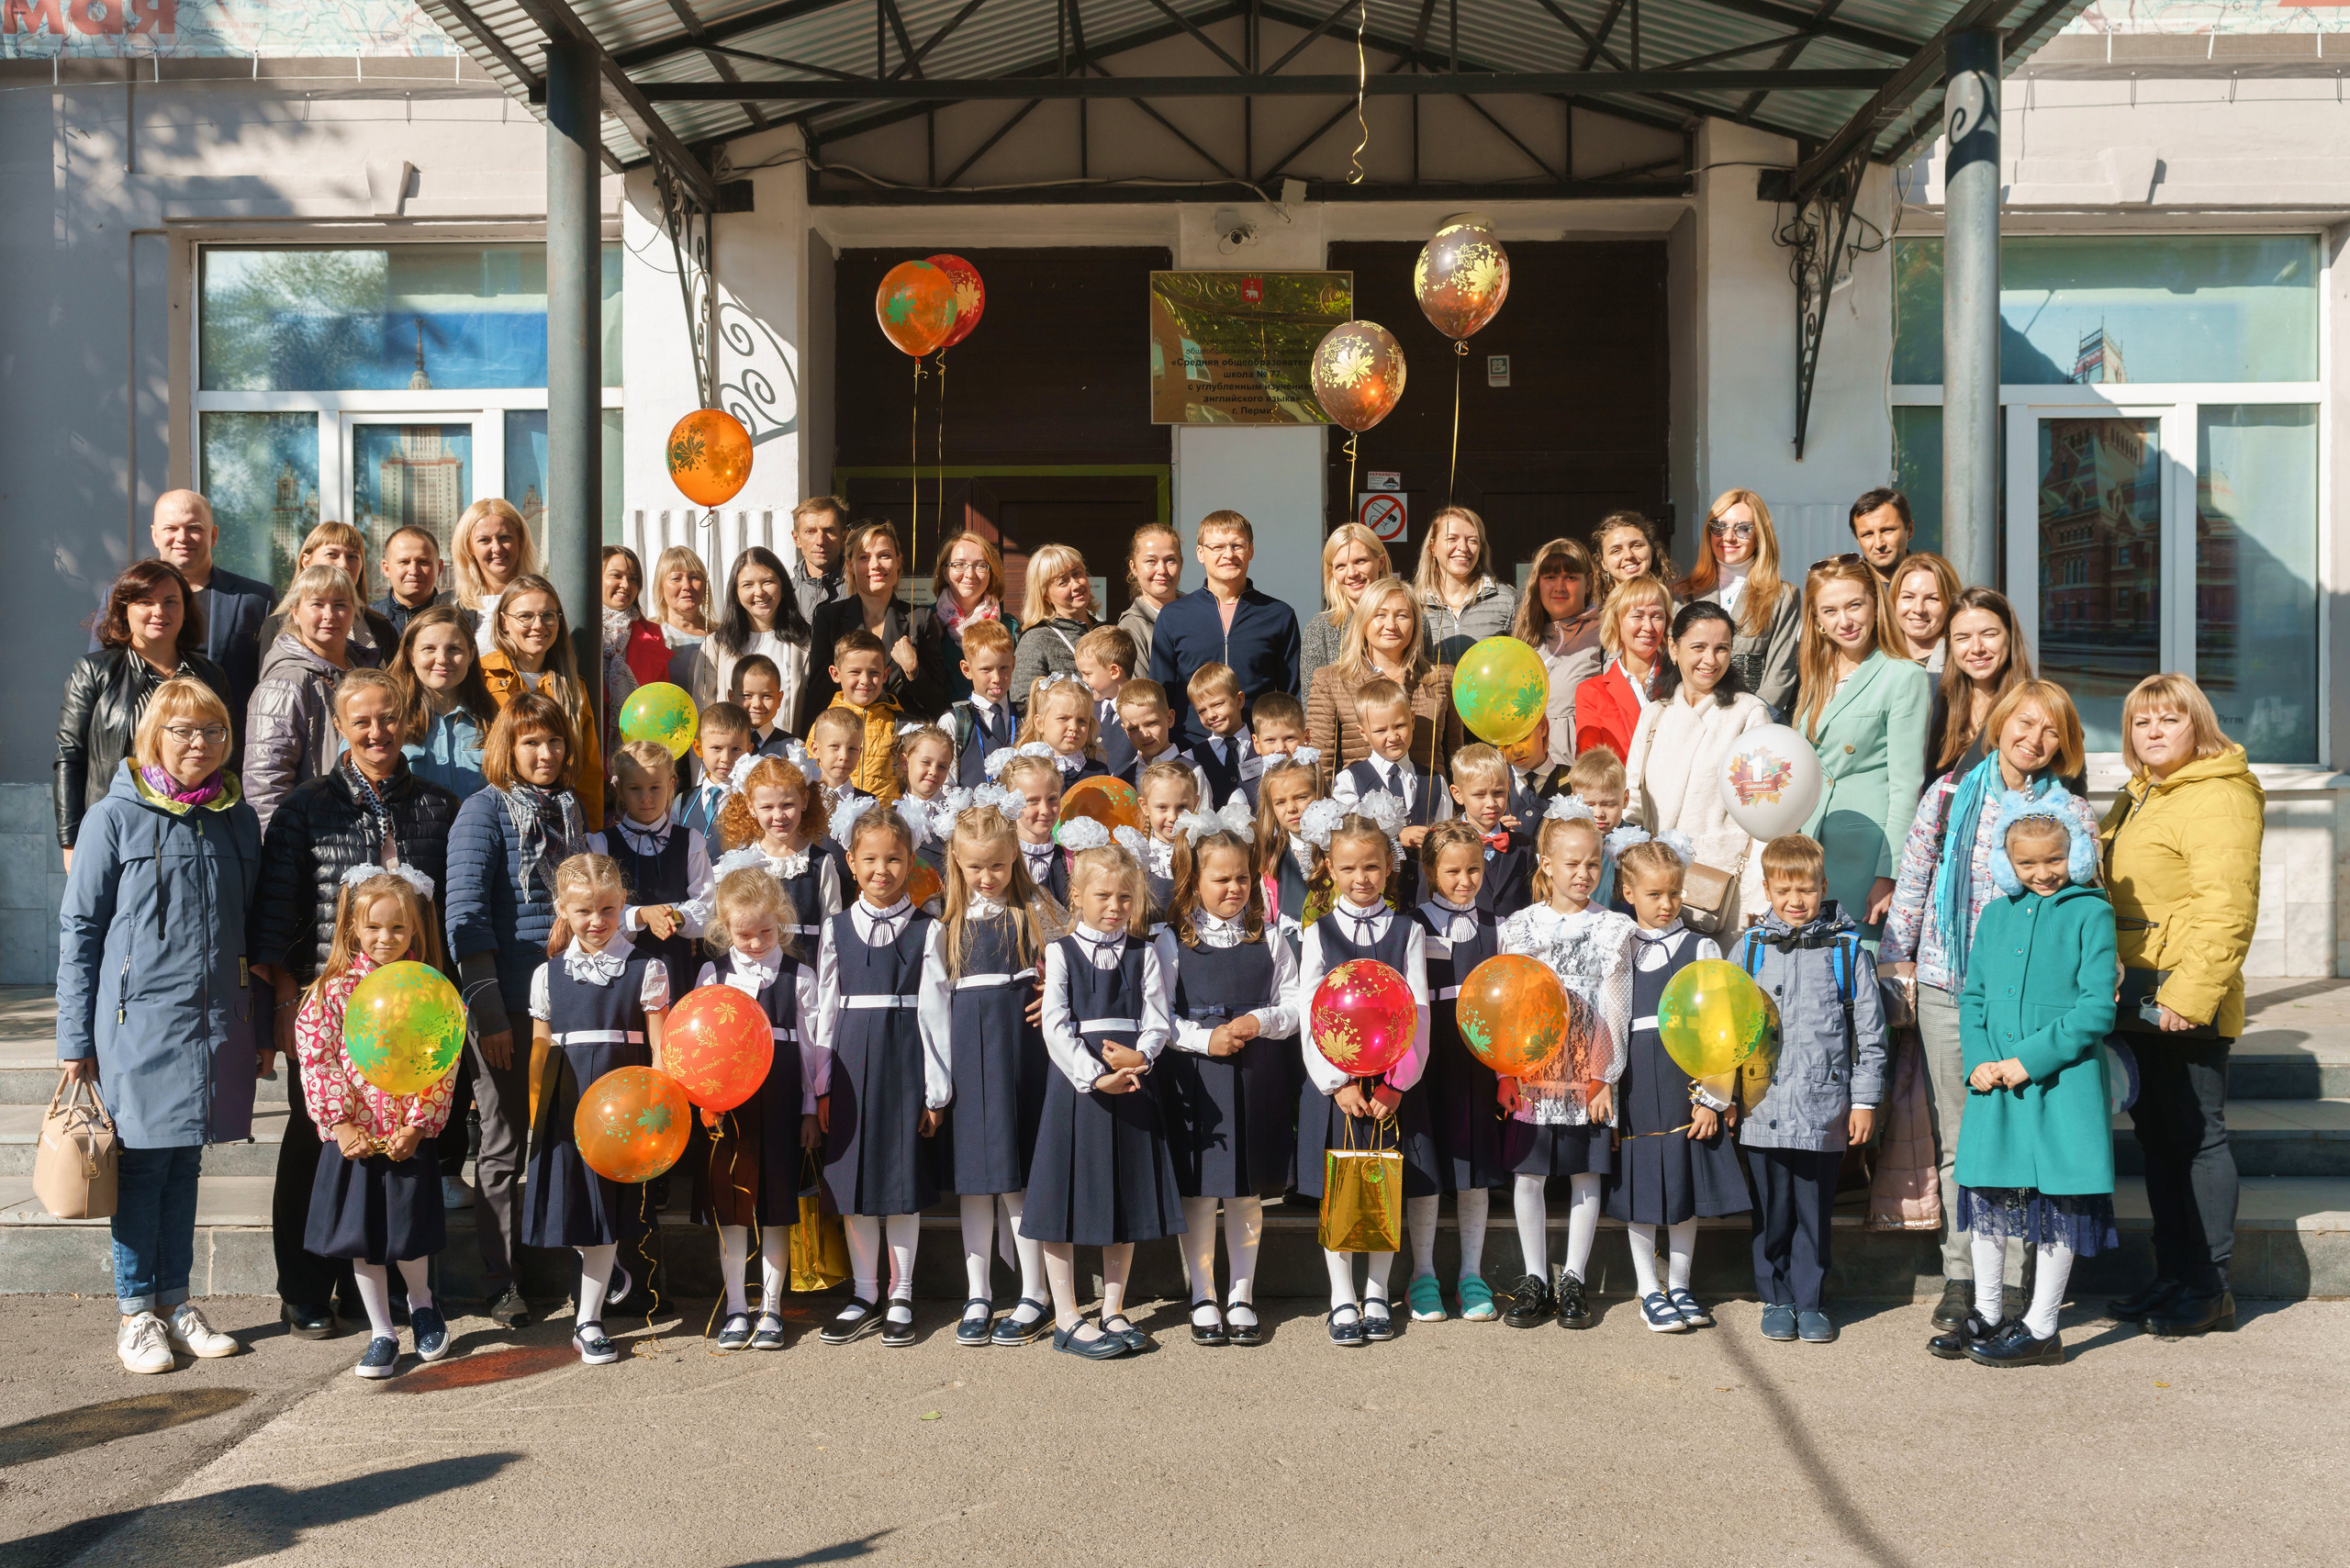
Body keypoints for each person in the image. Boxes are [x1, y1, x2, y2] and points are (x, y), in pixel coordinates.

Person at [55, 678, 258, 1374]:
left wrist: (255, 1026)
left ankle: (176, 1303)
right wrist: (74, 1039)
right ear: (152, 738)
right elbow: (80, 930)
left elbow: (250, 926)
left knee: (184, 1161)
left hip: (211, 1021)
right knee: (140, 1167)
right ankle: (137, 1312)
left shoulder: (237, 817)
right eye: (183, 731)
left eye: (212, 731)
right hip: (136, 1021)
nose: (199, 743)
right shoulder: (113, 818)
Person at [250, 667, 460, 1337]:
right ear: (339, 726)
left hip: (411, 1015)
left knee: (402, 1153)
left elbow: (451, 913)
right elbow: (278, 910)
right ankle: (308, 1288)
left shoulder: (436, 805)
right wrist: (286, 996)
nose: (377, 732)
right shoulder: (306, 807)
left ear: (407, 722)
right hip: (329, 1007)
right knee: (319, 1146)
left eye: (389, 718)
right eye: (361, 720)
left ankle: (397, 1289)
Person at [1882, 680, 2098, 1327]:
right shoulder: (1949, 796)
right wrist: (1898, 965)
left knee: (2032, 1144)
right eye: (2025, 724)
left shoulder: (2073, 815)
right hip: (1954, 989)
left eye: (2051, 731)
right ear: (2001, 722)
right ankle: (1965, 1280)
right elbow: (1915, 880)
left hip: (2039, 1006)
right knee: (1964, 1140)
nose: (2034, 740)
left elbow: (2087, 906)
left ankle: (2026, 1290)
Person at [2100, 674, 2264, 1338]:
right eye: (2142, 723)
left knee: (2198, 1140)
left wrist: (2188, 997)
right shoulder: (2142, 795)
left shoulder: (2219, 795)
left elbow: (2228, 908)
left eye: (2169, 719)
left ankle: (2209, 1287)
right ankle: (2173, 1274)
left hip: (2181, 997)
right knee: (2162, 1143)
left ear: (2197, 724)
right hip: (2140, 992)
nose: (2155, 732)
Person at [1935, 798, 2119, 1368]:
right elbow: (1975, 997)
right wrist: (1982, 1061)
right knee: (1990, 1194)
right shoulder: (1995, 915)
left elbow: (2096, 1010)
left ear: (2076, 855)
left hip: (2063, 1082)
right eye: (2028, 864)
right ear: (2006, 864)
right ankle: (1989, 1313)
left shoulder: (2092, 912)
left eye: (2054, 859)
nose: (2042, 873)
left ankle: (2042, 1327)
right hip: (1997, 1085)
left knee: (2059, 1201)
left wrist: (2026, 1061)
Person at [443, 693, 590, 1330]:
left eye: (554, 741)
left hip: (567, 999)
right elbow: (466, 920)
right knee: (502, 1144)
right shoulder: (482, 812)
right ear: (508, 746)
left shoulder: (569, 810)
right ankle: (502, 1282)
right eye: (531, 742)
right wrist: (490, 1016)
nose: (545, 753)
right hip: (504, 1004)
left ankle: (582, 1267)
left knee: (564, 1135)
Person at [295, 868, 455, 1378]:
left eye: (399, 929)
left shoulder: (429, 990)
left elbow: (441, 1059)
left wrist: (417, 1123)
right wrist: (340, 1124)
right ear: (353, 930)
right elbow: (318, 1060)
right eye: (374, 929)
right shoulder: (329, 993)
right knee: (363, 1240)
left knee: (406, 1236)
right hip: (357, 1138)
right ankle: (382, 1330)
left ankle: (424, 1304)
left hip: (404, 1135)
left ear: (415, 932)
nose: (386, 939)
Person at [1734, 834, 1889, 1344]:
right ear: (1767, 889)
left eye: (1805, 890)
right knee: (1771, 1210)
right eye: (1783, 891)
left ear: (1824, 887)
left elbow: (1869, 1034)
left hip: (1823, 1108)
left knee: (1813, 1212)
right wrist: (1724, 1095)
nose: (1795, 901)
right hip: (1762, 1106)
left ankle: (1811, 1300)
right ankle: (1775, 1297)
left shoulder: (1847, 954)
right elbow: (1725, 1029)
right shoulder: (1750, 950)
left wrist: (1864, 1100)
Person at [526, 853, 672, 1365]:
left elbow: (659, 1049)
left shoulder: (646, 969)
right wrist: (536, 1116)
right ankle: (603, 1273)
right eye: (585, 910)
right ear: (562, 909)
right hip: (566, 1107)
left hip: (620, 1111)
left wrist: (659, 1107)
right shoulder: (546, 975)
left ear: (622, 904)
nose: (597, 921)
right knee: (576, 1210)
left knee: (605, 1215)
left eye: (608, 909)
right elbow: (540, 1051)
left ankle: (587, 1321)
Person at [1292, 807, 1430, 1349]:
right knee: (1342, 1190)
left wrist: (1399, 1083)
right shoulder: (1318, 933)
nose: (1361, 878)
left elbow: (1416, 1010)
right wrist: (1336, 1082)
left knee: (1381, 1187)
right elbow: (1310, 1010)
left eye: (1372, 866)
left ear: (1389, 865)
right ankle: (1341, 1297)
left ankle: (1378, 1292)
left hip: (1391, 1087)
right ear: (1329, 868)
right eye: (1349, 868)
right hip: (1341, 1088)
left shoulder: (1407, 931)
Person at [811, 803, 947, 1349]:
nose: (882, 870)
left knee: (899, 1183)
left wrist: (936, 1090)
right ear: (850, 861)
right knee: (855, 1185)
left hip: (903, 1062)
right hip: (847, 1065)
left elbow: (936, 1013)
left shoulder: (927, 930)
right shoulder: (835, 928)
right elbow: (823, 1007)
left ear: (911, 861)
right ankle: (865, 1292)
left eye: (894, 859)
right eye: (870, 860)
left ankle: (901, 1293)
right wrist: (818, 1084)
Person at [923, 807, 1058, 1348]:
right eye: (977, 867)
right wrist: (939, 1084)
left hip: (1022, 1061)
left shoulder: (1035, 911)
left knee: (1020, 1179)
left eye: (999, 865)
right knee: (975, 1186)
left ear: (1014, 858)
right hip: (969, 1066)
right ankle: (978, 1293)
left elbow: (1072, 963)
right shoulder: (944, 926)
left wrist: (1054, 991)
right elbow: (932, 1008)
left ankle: (1034, 1293)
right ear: (956, 860)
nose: (988, 877)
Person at [1159, 819, 1296, 1348]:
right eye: (1221, 880)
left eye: (1242, 877)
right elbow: (1160, 1017)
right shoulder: (1175, 940)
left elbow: (1295, 1002)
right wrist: (1203, 1040)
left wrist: (1260, 1022)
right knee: (1199, 1193)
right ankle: (1203, 1293)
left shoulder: (1271, 936)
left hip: (1256, 1074)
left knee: (1245, 1193)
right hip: (1197, 1077)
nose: (1235, 888)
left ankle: (1242, 1293)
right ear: (1195, 883)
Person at [1496, 802, 1632, 1332]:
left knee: (1584, 1174)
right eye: (1572, 863)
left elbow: (1615, 1006)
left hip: (1587, 1076)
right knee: (1528, 1175)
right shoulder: (1520, 927)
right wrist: (1505, 1074)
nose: (1584, 874)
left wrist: (1604, 1079)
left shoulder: (1614, 928)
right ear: (1547, 864)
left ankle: (1573, 1277)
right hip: (1531, 1077)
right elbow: (1503, 1006)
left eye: (1593, 864)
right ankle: (1535, 1278)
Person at [1605, 833, 1748, 1332]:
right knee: (1643, 1187)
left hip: (1685, 1080)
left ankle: (1681, 1285)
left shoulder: (1701, 946)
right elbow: (1609, 1018)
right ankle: (1649, 1289)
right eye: (1654, 895)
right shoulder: (1618, 947)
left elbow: (1721, 1028)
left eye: (1674, 893)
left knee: (1685, 1186)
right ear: (1629, 894)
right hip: (1636, 1083)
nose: (1666, 905)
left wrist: (1713, 1096)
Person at [688, 867, 820, 1351]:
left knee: (774, 1209)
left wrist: (810, 1109)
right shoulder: (713, 974)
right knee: (733, 1211)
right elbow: (698, 1045)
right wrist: (704, 1101)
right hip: (729, 1109)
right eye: (744, 934)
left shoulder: (799, 977)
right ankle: (736, 1309)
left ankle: (771, 1308)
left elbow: (811, 1052)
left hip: (782, 1102)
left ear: (781, 920)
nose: (757, 941)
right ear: (725, 928)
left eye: (767, 931)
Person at [1790, 555, 1932, 942]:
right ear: (1817, 620)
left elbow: (1907, 785)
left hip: (1866, 855)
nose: (1845, 621)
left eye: (1854, 605)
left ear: (1874, 604)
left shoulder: (1903, 676)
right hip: (1812, 853)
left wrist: (1890, 873)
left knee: (1858, 975)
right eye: (1831, 611)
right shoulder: (1815, 676)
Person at [56, 559, 231, 867]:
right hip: (116, 832)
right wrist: (70, 842)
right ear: (125, 609)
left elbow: (228, 757)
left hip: (195, 830)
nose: (159, 612)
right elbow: (70, 756)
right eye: (145, 602)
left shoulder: (210, 675)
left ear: (185, 609)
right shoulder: (95, 671)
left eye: (170, 602)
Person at [1623, 601, 1774, 925]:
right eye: (1699, 647)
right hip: (1657, 893)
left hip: (1723, 888)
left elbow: (1766, 815)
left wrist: (1758, 900)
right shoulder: (1654, 715)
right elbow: (1632, 802)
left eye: (1722, 649)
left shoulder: (1749, 714)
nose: (1710, 660)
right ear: (1673, 649)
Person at [1410, 818, 1506, 1323]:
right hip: (1427, 1062)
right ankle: (1422, 1274)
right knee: (1426, 1171)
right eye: (1452, 871)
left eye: (1473, 869)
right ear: (1430, 871)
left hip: (1476, 1064)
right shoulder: (1413, 924)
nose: (1464, 880)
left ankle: (1472, 1273)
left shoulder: (1497, 927)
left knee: (1473, 1172)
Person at [89, 490, 273, 724]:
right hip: (135, 747)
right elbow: (98, 676)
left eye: (194, 528)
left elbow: (270, 684)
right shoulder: (121, 596)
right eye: (171, 529)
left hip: (222, 747)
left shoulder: (256, 600)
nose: (182, 537)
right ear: (155, 535)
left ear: (213, 535)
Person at [246, 565, 383, 830]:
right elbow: (266, 783)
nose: (330, 615)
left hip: (366, 833)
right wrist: (280, 849)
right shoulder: (284, 683)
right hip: (315, 839)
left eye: (340, 604)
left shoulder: (366, 673)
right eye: (317, 604)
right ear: (295, 612)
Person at [1148, 511, 1301, 746]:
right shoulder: (1174, 616)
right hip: (1191, 749)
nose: (1228, 555)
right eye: (1217, 547)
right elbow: (1160, 694)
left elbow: (1290, 694)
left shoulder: (1278, 615)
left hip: (1260, 749)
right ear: (1200, 553)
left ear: (1251, 550)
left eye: (1238, 545)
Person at [1306, 576, 1462, 785]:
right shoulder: (1330, 680)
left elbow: (1457, 755)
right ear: (1363, 621)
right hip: (1359, 811)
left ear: (1415, 623)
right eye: (1380, 615)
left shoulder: (1443, 677)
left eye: (1402, 616)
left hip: (1430, 810)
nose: (1391, 625)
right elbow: (1320, 763)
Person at [478, 574, 607, 827]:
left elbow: (588, 770)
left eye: (548, 615)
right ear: (504, 622)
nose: (538, 625)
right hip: (497, 818)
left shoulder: (572, 687)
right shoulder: (481, 677)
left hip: (557, 821)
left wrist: (593, 833)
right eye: (525, 616)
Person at [800, 521, 946, 729]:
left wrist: (913, 671)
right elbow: (818, 696)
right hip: (847, 743)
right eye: (864, 557)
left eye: (884, 555)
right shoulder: (829, 618)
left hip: (902, 745)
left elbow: (938, 704)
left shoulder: (920, 619)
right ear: (850, 565)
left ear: (898, 561)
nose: (875, 565)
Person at [1675, 489, 1801, 718]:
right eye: (1719, 527)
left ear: (1760, 536)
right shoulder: (1683, 593)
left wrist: (1749, 722)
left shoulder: (1783, 596)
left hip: (1754, 724)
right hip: (1694, 720)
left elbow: (1780, 677)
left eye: (1743, 528)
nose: (1729, 537)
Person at [714, 755, 845, 950]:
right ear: (751, 807)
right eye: (767, 807)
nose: (778, 816)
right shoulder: (742, 863)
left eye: (787, 805)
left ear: (804, 800)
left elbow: (833, 928)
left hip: (807, 972)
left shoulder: (821, 863)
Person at [688, 544, 811, 736]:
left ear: (784, 587)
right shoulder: (716, 645)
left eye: (768, 581)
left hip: (789, 760)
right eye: (748, 585)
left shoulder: (806, 643)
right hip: (731, 763)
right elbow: (702, 716)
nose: (759, 592)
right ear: (736, 593)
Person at [1930, 588, 2041, 789]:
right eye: (1962, 638)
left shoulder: (2039, 708)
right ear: (1950, 644)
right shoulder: (1934, 702)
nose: (1977, 648)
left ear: (2010, 635)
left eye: (1989, 634)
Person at [1513, 537, 1604, 767]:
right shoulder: (1525, 639)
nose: (1559, 587)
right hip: (1528, 779)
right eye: (1550, 577)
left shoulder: (1605, 633)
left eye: (1571, 577)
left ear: (1589, 583)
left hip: (1581, 779)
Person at [392, 605, 496, 801]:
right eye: (429, 649)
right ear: (410, 655)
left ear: (471, 654)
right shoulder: (383, 718)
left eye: (454, 649)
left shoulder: (495, 720)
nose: (442, 659)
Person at [259, 522, 399, 657]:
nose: (343, 565)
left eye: (352, 557)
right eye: (332, 554)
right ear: (306, 562)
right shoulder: (277, 626)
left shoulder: (380, 625)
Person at [1572, 575, 1672, 763]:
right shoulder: (1592, 693)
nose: (1648, 626)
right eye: (1638, 616)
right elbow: (1592, 770)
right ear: (1617, 622)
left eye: (1657, 616)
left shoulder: (1681, 682)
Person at [923, 529, 1020, 706]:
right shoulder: (926, 621)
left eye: (980, 565)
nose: (970, 574)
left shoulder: (1009, 627)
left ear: (991, 573)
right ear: (945, 572)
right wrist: (930, 643)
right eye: (959, 564)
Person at [1413, 504, 1517, 666]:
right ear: (1432, 547)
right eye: (1452, 539)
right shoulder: (1413, 603)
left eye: (1472, 540)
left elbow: (1523, 661)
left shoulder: (1506, 600)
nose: (1463, 548)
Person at [1301, 522, 1404, 677]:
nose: (1351, 573)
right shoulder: (1319, 630)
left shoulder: (1413, 621)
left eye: (1360, 561)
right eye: (1340, 566)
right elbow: (1312, 698)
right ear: (1332, 573)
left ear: (1380, 562)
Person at [1009, 543, 1102, 705]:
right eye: (1063, 582)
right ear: (1046, 595)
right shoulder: (1036, 639)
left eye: (1077, 574)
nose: (1076, 585)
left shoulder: (1107, 630)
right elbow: (1024, 703)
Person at [826, 629, 907, 804]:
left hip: (884, 823)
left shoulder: (899, 724)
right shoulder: (824, 724)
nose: (865, 680)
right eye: (855, 672)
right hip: (834, 820)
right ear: (835, 674)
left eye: (874, 673)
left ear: (885, 674)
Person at [450, 498, 539, 653]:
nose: (497, 548)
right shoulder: (449, 607)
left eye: (505, 537)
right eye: (484, 540)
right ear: (469, 547)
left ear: (520, 539)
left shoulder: (543, 600)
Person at [945, 619, 1020, 787]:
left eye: (1004, 668)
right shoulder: (955, 722)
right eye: (986, 669)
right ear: (967, 669)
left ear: (1013, 664)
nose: (997, 679)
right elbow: (945, 785)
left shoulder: (1027, 717)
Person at [1182, 663, 1255, 810]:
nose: (1211, 715)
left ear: (1239, 700)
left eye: (1218, 704)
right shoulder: (1190, 758)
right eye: (1202, 711)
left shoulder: (1267, 747)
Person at [602, 544, 675, 690]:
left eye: (633, 579)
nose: (626, 584)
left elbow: (660, 695)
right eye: (616, 575)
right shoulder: (579, 629)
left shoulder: (652, 633)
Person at [1073, 624, 1138, 778]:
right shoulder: (1088, 710)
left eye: (1088, 674)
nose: (1084, 680)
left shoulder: (1140, 710)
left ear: (1114, 671)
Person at [1119, 521, 1183, 668]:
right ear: (1133, 568)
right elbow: (1140, 691)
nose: (1161, 570)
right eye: (1151, 561)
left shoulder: (1199, 613)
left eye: (1170, 560)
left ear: (1181, 564)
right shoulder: (1131, 628)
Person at [374, 523, 453, 642]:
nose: (414, 571)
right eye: (404, 562)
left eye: (423, 562)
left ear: (440, 568)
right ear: (386, 569)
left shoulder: (455, 617)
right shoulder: (369, 619)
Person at [1891, 551, 1960, 671]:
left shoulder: (1962, 662)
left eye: (1932, 599)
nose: (1918, 609)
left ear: (1950, 604)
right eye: (1908, 597)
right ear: (1894, 601)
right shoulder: (1874, 660)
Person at [788, 495, 849, 627]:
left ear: (843, 537)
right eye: (810, 531)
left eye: (829, 531)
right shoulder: (783, 595)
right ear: (797, 539)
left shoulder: (863, 589)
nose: (820, 541)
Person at [1593, 510, 1676, 598]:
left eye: (1636, 545)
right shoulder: (1595, 610)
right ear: (1604, 564)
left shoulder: (1677, 605)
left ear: (1651, 550)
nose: (1628, 555)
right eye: (1616, 551)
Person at [1848, 487, 1914, 587]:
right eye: (1867, 534)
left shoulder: (1934, 583)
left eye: (1887, 530)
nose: (1878, 544)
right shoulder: (1847, 588)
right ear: (1857, 539)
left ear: (1910, 530)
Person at [650, 543, 712, 647]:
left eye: (694, 577)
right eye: (676, 578)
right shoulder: (648, 634)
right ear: (660, 589)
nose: (687, 586)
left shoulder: (723, 636)